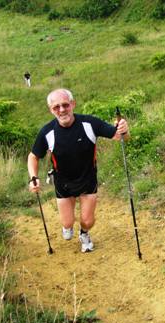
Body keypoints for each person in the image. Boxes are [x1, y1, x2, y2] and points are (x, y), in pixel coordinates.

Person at [28, 88, 129, 253]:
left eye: (65, 105)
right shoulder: (47, 132)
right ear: (51, 110)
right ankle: (67, 227)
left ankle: (84, 234)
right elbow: (33, 156)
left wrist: (124, 129)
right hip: (63, 183)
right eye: (56, 107)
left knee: (87, 221)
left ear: (73, 104)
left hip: (87, 180)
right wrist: (33, 177)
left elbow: (121, 137)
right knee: (67, 223)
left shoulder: (89, 123)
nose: (62, 110)